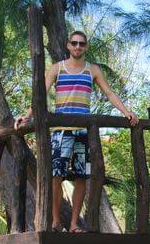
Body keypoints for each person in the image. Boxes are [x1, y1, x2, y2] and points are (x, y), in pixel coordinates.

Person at [15, 30, 138, 233]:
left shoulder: (93, 70)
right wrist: (27, 116)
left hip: (83, 132)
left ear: (86, 46)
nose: (78, 47)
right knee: (56, 175)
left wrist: (126, 112)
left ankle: (73, 224)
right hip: (61, 131)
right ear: (68, 45)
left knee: (81, 176)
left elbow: (109, 93)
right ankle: (55, 221)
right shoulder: (56, 69)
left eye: (82, 44)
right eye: (74, 43)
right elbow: (41, 95)